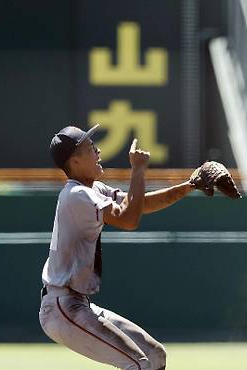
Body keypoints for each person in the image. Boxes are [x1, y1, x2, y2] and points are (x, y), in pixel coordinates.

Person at [39, 125, 212, 370]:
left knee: (154, 356)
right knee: (138, 363)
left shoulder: (92, 189)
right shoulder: (76, 194)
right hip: (62, 307)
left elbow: (140, 204)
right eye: (90, 148)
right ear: (75, 162)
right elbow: (129, 220)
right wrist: (138, 170)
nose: (98, 151)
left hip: (78, 303)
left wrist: (189, 186)